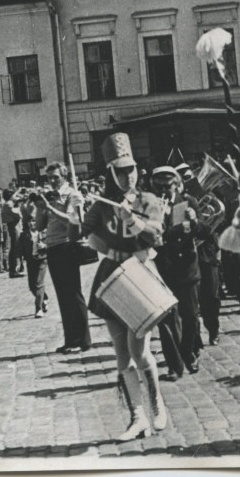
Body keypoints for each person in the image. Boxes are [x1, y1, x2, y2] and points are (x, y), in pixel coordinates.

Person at [84, 133, 169, 441]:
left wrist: (132, 220)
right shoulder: (102, 203)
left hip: (139, 272)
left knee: (139, 347)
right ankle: (137, 417)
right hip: (111, 273)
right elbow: (82, 231)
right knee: (121, 352)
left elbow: (156, 236)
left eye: (130, 169)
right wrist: (73, 214)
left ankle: (156, 401)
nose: (127, 175)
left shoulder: (148, 200)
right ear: (110, 173)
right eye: (120, 171)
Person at [151, 166, 208, 376]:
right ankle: (174, 365)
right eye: (159, 187)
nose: (164, 191)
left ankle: (187, 352)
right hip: (163, 267)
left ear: (176, 184)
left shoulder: (188, 201)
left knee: (191, 316)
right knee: (167, 321)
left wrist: (194, 221)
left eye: (168, 186)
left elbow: (205, 231)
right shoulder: (150, 205)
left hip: (187, 266)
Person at [37, 162, 91, 354]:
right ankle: (70, 339)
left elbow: (74, 221)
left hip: (67, 246)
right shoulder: (50, 197)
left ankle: (82, 340)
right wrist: (40, 208)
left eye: (55, 177)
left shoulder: (72, 195)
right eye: (49, 178)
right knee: (62, 295)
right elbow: (39, 226)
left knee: (73, 293)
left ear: (64, 177)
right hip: (52, 247)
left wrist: (52, 209)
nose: (52, 181)